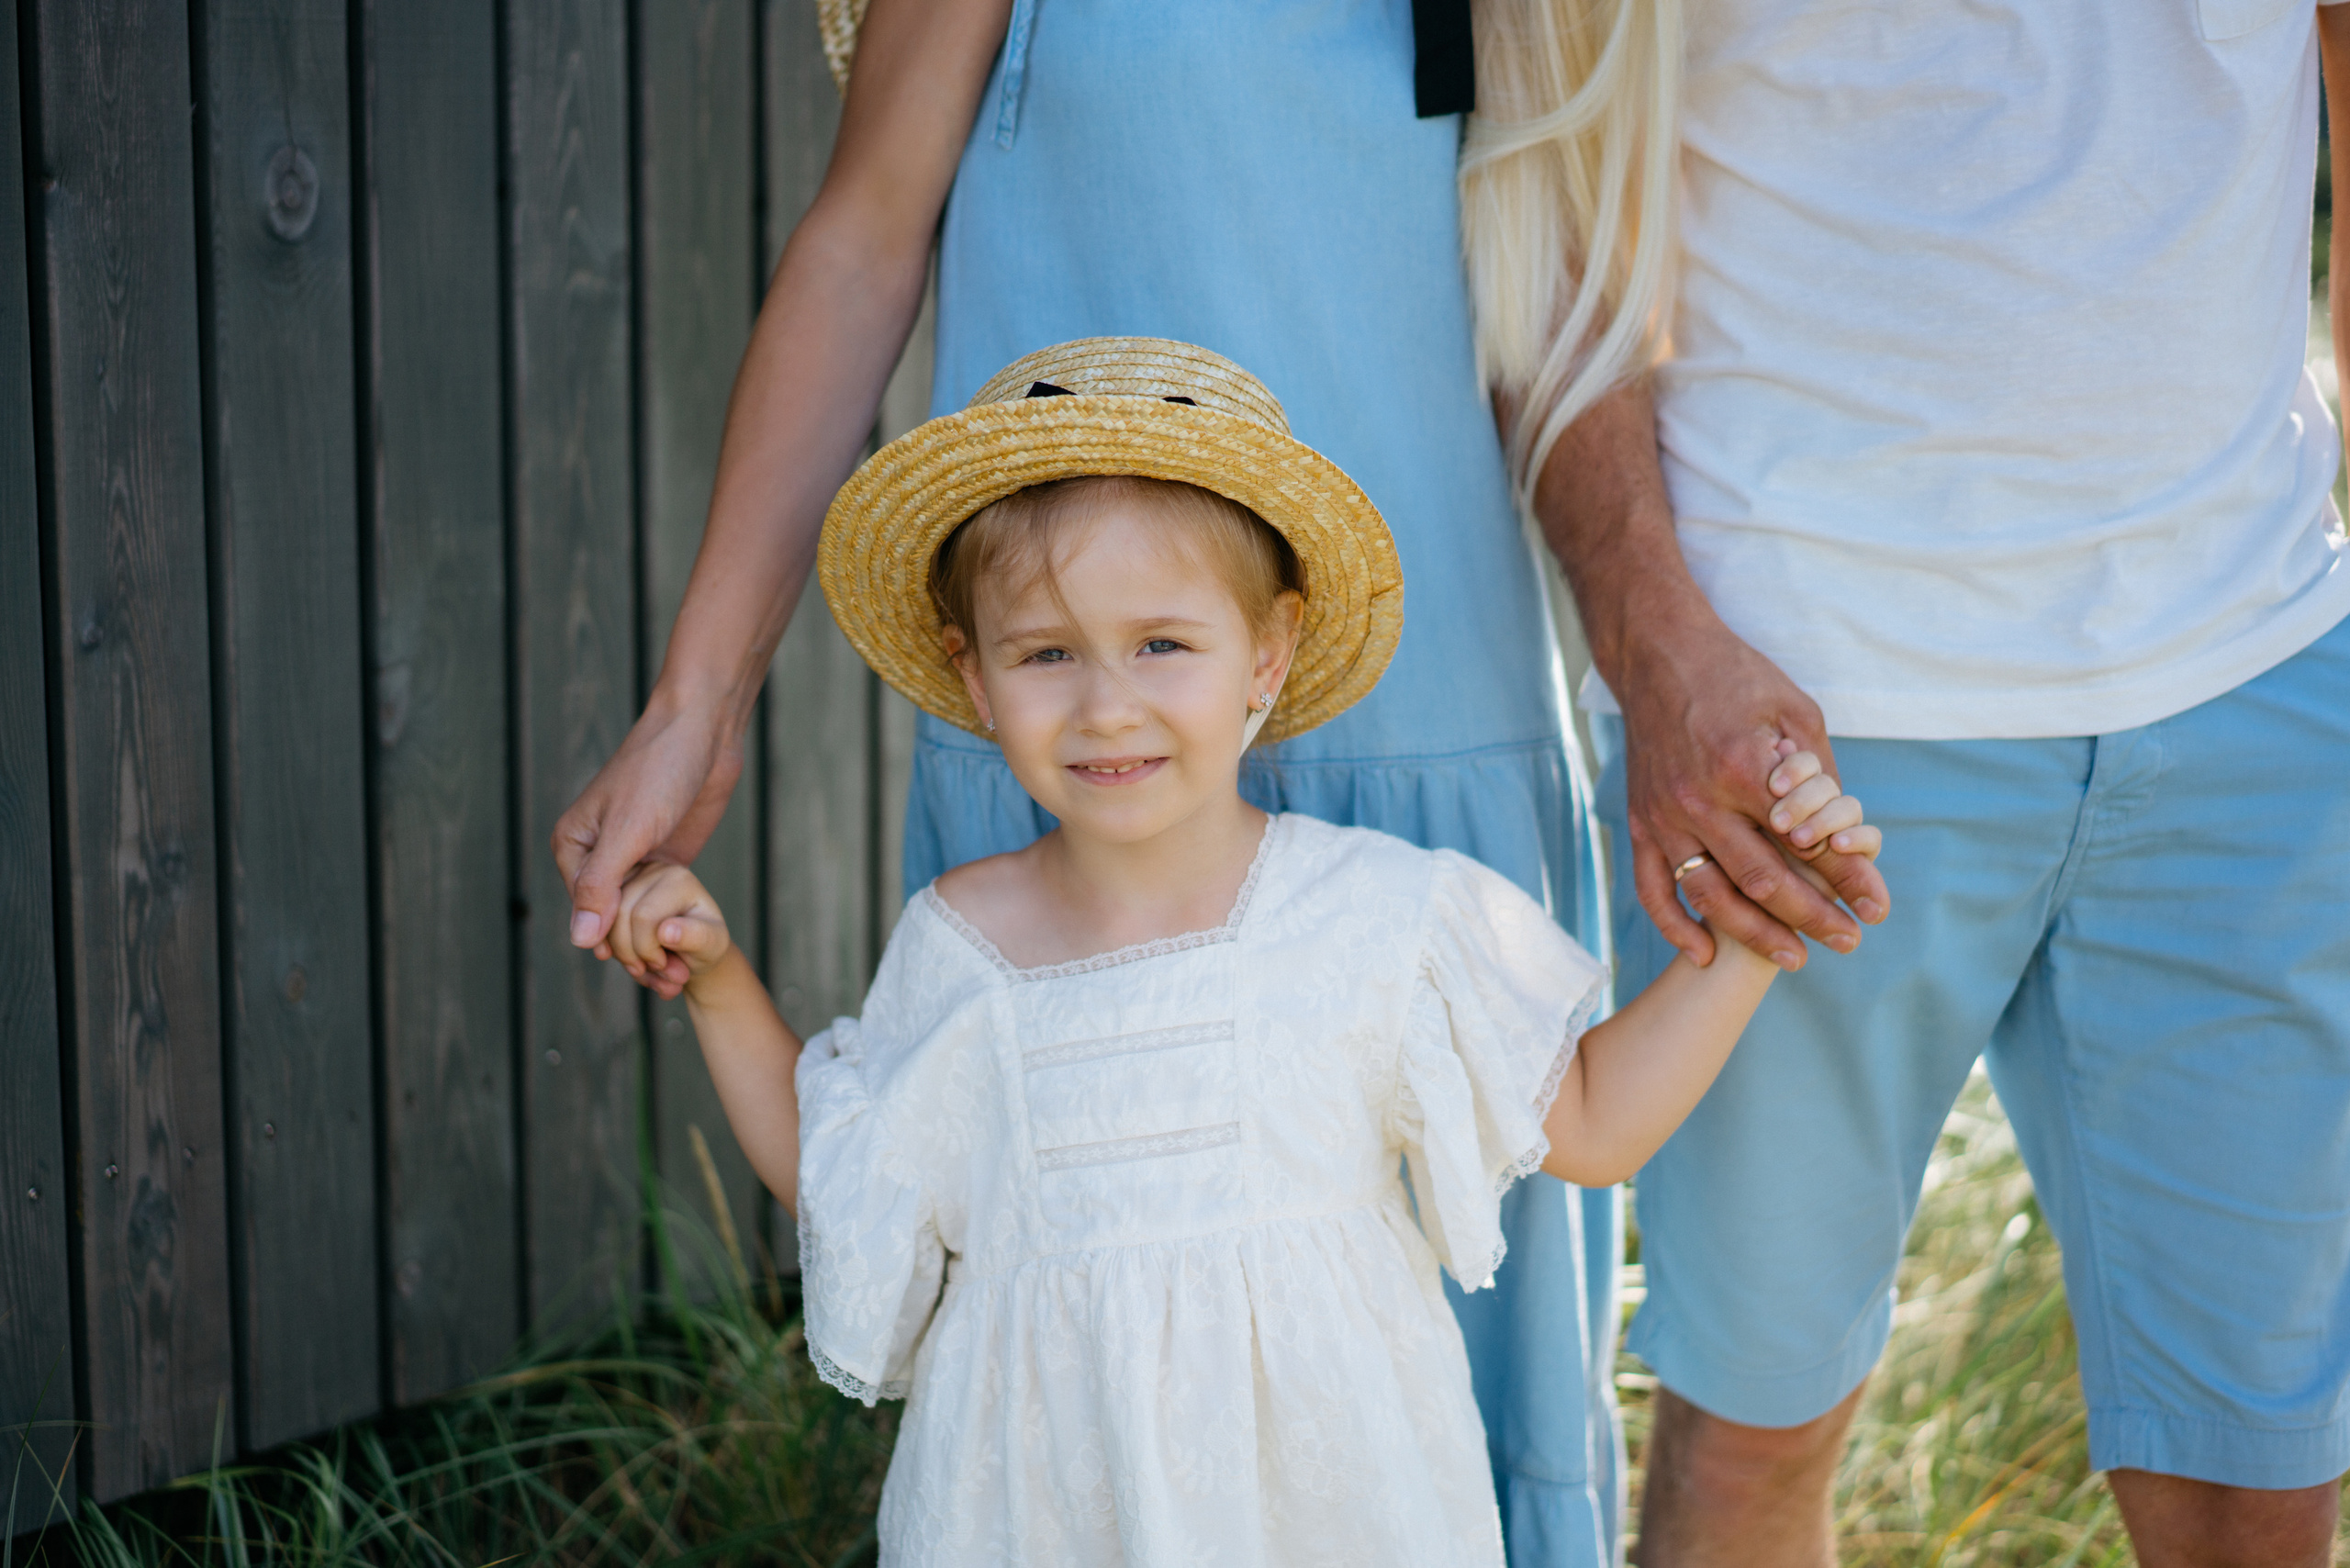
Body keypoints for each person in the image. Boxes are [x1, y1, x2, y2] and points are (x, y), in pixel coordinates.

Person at [549, 3, 1841, 1556]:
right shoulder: (989, 913)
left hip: (1430, 720)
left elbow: (1565, 259)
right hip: (1064, 728)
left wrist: (1667, 658)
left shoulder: (1403, 907)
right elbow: (861, 234)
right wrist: (699, 696)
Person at [1530, 3, 2350, 1563]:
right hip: (1792, 710)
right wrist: (1657, 649)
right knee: (1750, 1439)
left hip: (2255, 669)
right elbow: (1542, 195)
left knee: (2258, 1487)